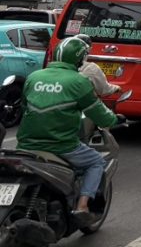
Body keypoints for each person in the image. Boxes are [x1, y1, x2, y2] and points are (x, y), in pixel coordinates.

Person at [17, 37, 118, 228]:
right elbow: (101, 115)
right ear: (79, 59)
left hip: (26, 145)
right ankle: (82, 205)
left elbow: (24, 107)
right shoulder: (79, 81)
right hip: (62, 145)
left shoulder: (34, 77)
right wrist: (114, 119)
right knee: (96, 162)